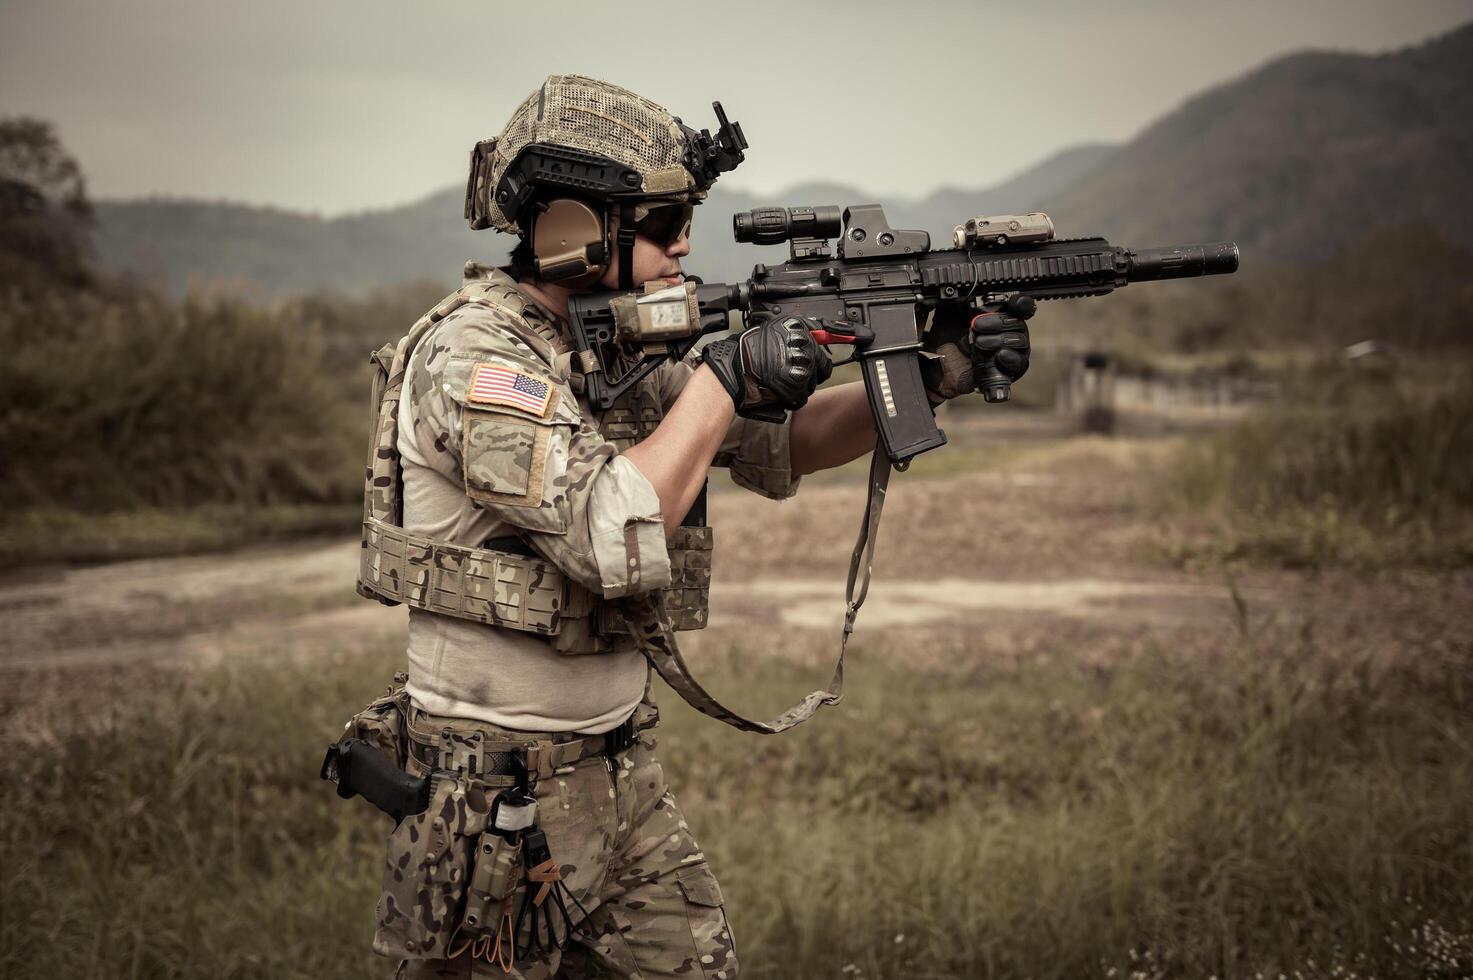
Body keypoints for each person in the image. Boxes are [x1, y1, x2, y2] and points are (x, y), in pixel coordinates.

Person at [347, 74, 1028, 979]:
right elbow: (608, 531)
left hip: (617, 773)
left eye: (685, 228)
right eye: (663, 229)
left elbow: (783, 443)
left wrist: (934, 368)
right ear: (573, 232)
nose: (682, 251)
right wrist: (720, 377)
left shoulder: (619, 347)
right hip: (490, 805)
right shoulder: (473, 359)